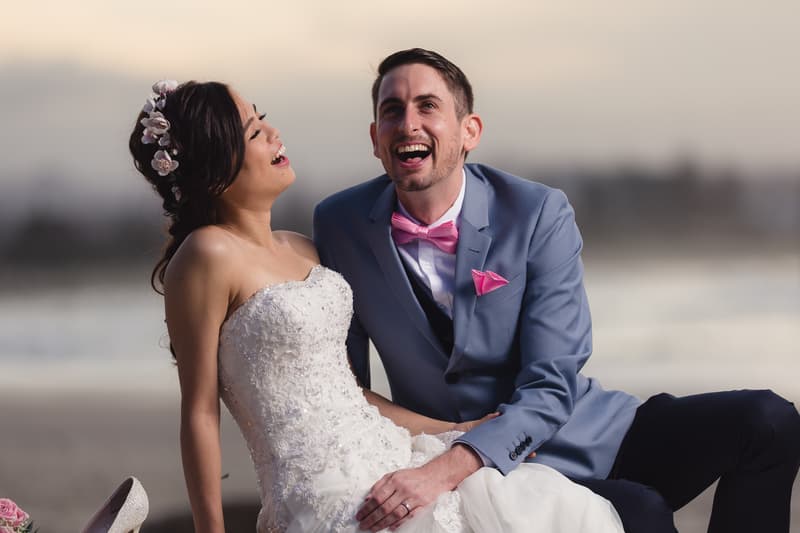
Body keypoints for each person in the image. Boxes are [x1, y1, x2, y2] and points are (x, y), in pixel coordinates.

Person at [313, 48, 800, 533]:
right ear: (376, 138)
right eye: (392, 110)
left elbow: (552, 382)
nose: (408, 122)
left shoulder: (536, 211)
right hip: (486, 470)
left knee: (769, 420)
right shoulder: (341, 224)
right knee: (640, 511)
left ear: (470, 132)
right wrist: (437, 452)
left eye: (427, 106)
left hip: (588, 432)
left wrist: (442, 471)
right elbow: (347, 390)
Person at [129, 80, 625, 533]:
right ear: (216, 167)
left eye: (264, 120)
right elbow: (199, 412)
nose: (275, 133)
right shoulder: (206, 256)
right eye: (255, 131)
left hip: (392, 456)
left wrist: (458, 431)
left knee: (560, 512)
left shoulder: (304, 248)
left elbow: (349, 395)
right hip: (322, 492)